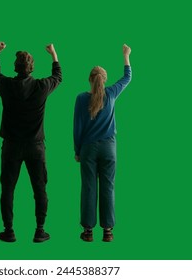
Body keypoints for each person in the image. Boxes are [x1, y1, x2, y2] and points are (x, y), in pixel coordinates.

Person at [0, 41, 62, 243]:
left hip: (11, 146)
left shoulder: (7, 86)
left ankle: (9, 230)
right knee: (40, 188)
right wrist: (54, 55)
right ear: (31, 68)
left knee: (7, 189)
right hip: (36, 146)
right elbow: (58, 77)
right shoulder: (41, 87)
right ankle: (40, 230)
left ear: (15, 67)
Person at [73, 44, 132, 242]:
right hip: (109, 149)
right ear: (104, 80)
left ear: (90, 79)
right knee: (108, 187)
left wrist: (77, 150)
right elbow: (127, 78)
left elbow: (77, 127)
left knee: (88, 188)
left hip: (88, 149)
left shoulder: (81, 99)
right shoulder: (112, 94)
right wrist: (126, 56)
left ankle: (88, 231)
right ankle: (108, 231)